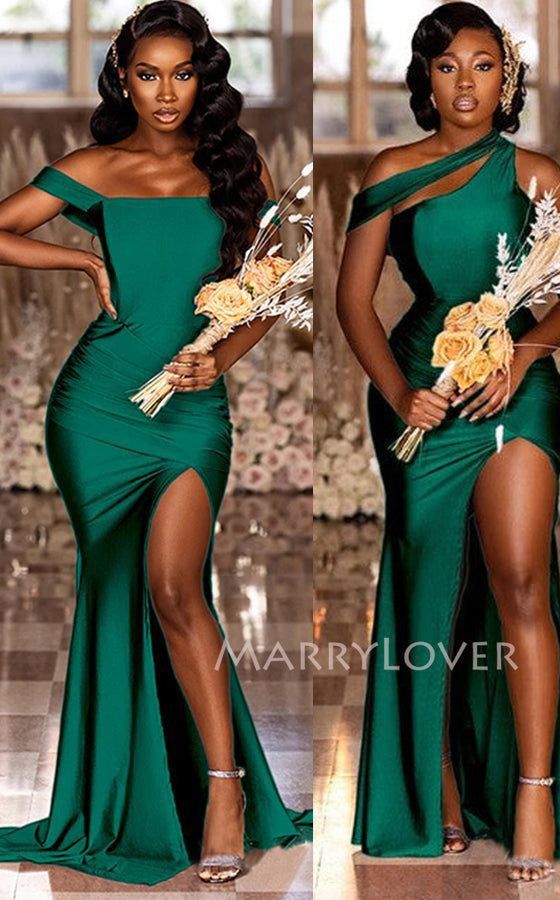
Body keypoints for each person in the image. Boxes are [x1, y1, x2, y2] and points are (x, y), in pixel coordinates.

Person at [0, 0, 311, 887]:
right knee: (115, 590)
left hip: (191, 412)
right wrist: (83, 261)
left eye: (182, 73)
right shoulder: (93, 168)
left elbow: (261, 282)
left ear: (203, 76)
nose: (166, 92)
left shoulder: (233, 164)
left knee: (177, 586)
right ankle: (131, 791)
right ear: (122, 78)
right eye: (147, 74)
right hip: (95, 411)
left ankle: (222, 787)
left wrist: (222, 359)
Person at [336, 1, 560, 884]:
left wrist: (525, 356)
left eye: (483, 65)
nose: (466, 83)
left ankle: (533, 787)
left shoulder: (534, 176)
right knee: (433, 595)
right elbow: (352, 301)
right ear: (425, 78)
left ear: (508, 77)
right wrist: (398, 390)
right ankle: (437, 780)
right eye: (447, 66)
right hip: (422, 396)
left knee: (521, 577)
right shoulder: (391, 171)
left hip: (514, 389)